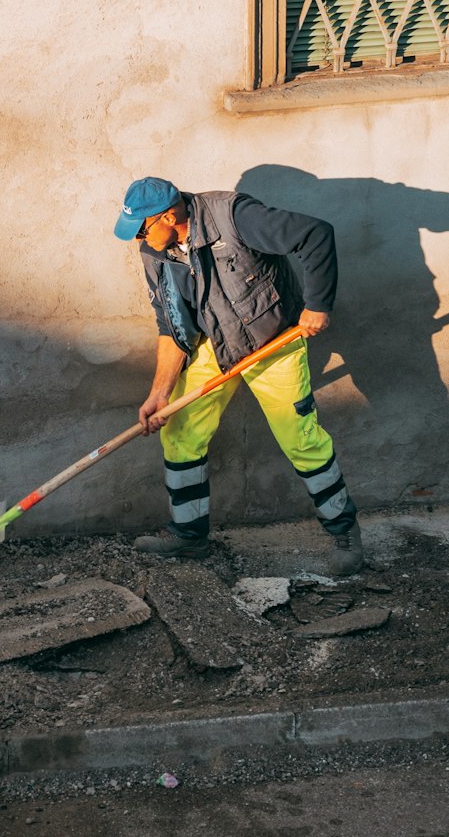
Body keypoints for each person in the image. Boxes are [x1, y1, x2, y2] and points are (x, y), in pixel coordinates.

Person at [114, 177, 362, 576]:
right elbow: (172, 326)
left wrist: (317, 304)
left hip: (273, 341)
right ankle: (190, 535)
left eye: (142, 228)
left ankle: (345, 533)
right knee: (178, 430)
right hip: (216, 345)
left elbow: (315, 234)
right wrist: (160, 393)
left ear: (168, 216)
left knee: (300, 438)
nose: (137, 239)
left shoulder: (234, 217)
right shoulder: (155, 253)